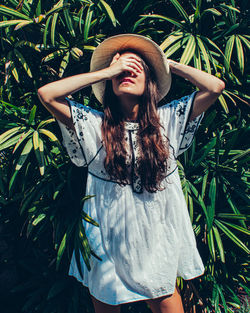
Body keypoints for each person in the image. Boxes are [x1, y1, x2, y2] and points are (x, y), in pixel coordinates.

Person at [38, 34, 225, 313]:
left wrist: (164, 64)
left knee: (164, 297)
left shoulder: (168, 121)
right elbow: (47, 94)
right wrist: (108, 70)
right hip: (107, 236)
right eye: (122, 68)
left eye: (137, 67)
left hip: (155, 235)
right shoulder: (94, 125)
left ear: (150, 80)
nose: (128, 70)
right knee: (106, 299)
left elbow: (215, 87)